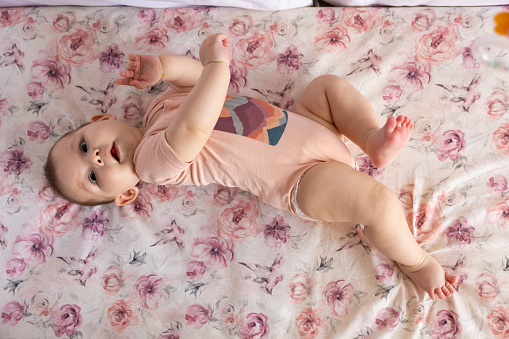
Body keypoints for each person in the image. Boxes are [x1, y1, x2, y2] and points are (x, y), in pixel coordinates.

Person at [44, 33, 458, 300]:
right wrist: (216, 67)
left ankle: (371, 141)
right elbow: (193, 124)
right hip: (301, 179)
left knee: (326, 88)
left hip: (308, 126)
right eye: (93, 177)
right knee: (380, 203)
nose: (95, 158)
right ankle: (416, 261)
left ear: (101, 121)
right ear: (126, 193)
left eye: (83, 146)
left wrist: (165, 69)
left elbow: (189, 84)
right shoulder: (154, 164)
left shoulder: (158, 106)